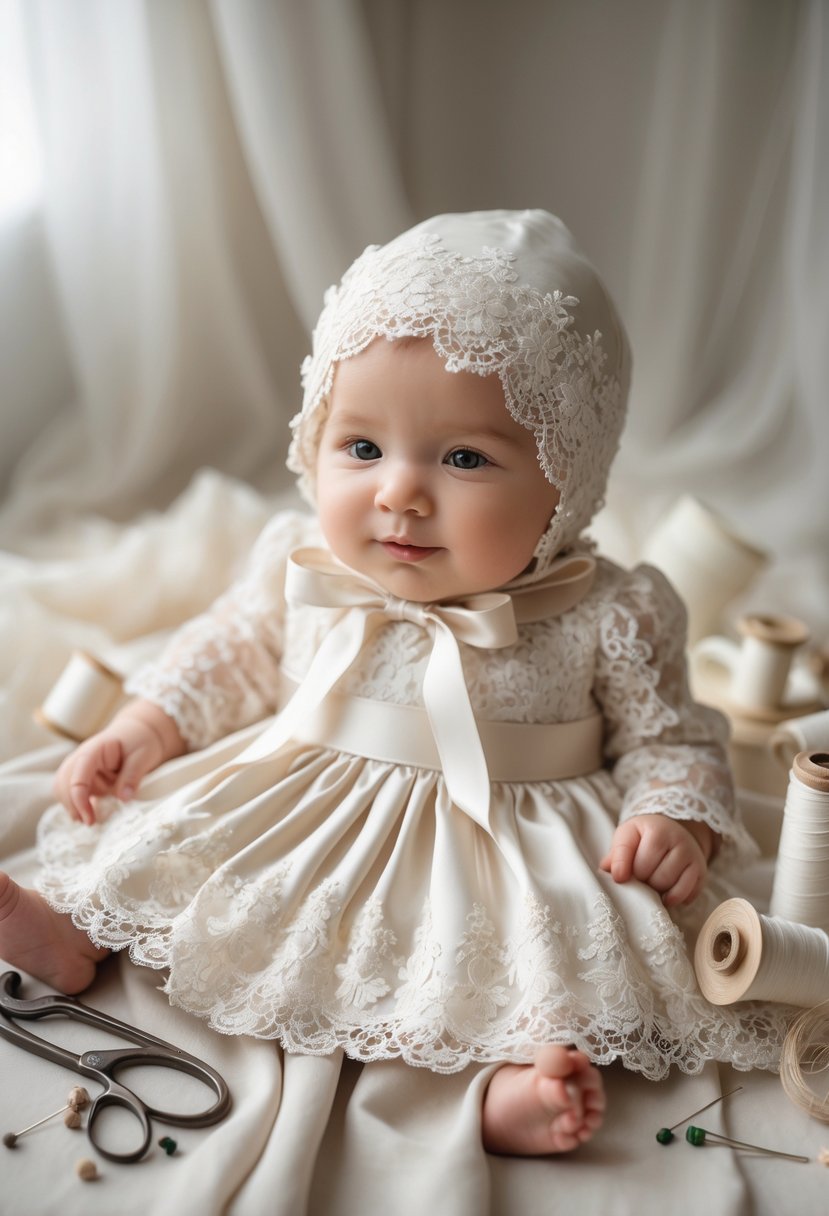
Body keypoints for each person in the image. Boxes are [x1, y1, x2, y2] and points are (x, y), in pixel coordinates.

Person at [0, 210, 787, 1157]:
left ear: (565, 484)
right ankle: (77, 938)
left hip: (500, 843)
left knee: (520, 965)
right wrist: (150, 722)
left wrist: (674, 816)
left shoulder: (608, 611)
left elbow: (673, 734)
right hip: (299, 804)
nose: (398, 493)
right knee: (177, 852)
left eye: (464, 459)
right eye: (362, 448)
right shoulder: (298, 568)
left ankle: (504, 1093)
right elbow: (229, 651)